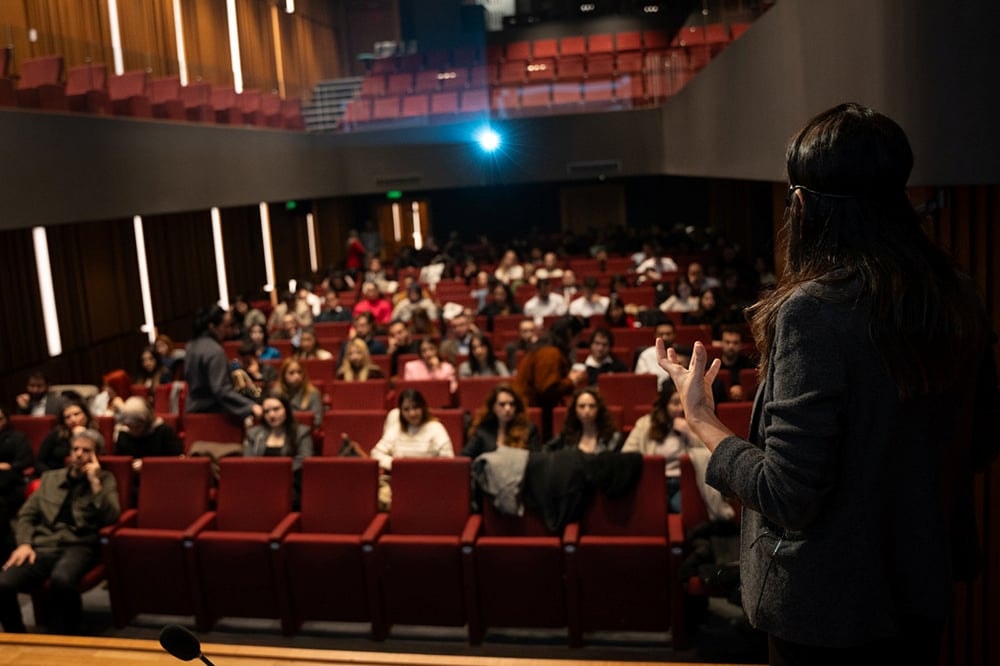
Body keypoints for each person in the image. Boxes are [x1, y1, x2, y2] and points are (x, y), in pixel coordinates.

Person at [657, 103, 997, 665]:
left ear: (802, 204)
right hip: (921, 588)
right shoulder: (958, 294)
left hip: (826, 613)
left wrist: (701, 419)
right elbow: (981, 440)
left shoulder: (814, 311)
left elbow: (788, 493)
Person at [0, 428, 120, 634]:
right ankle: (17, 637)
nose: (79, 454)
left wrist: (94, 482)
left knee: (62, 580)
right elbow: (27, 515)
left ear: (96, 455)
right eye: (75, 449)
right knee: (4, 583)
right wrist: (24, 544)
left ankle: (71, 635)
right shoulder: (50, 479)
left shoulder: (105, 479)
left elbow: (110, 517)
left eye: (86, 450)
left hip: (78, 546)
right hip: (42, 546)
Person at [622, 382, 732, 517]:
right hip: (653, 485)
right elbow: (627, 455)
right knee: (651, 514)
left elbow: (714, 456)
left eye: (683, 403)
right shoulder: (645, 424)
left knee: (688, 512)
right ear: (664, 404)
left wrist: (690, 434)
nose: (680, 408)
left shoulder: (698, 425)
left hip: (685, 483)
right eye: (674, 403)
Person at [370, 389, 454, 509]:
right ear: (401, 412)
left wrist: (423, 468)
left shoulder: (436, 428)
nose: (412, 413)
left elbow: (448, 461)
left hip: (429, 483)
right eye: (406, 409)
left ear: (423, 407)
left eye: (416, 408)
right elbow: (376, 453)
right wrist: (398, 464)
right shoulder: (396, 429)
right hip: (400, 482)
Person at [184, 306, 263, 424]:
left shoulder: (191, 346)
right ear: (212, 327)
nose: (229, 331)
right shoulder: (214, 351)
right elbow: (221, 390)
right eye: (225, 326)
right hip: (213, 414)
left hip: (193, 410)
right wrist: (251, 407)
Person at [513, 315, 587, 440]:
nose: (578, 342)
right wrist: (572, 380)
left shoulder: (548, 349)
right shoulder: (549, 353)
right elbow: (547, 389)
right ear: (569, 334)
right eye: (578, 336)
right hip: (532, 416)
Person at [244, 394, 313, 506]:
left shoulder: (301, 432)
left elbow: (304, 460)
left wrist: (277, 474)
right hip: (258, 483)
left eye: (276, 409)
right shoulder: (254, 434)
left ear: (286, 409)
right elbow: (247, 462)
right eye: (266, 411)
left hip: (289, 484)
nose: (271, 415)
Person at [113, 397, 183, 497]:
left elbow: (177, 461)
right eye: (129, 426)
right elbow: (118, 462)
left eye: (137, 426)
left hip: (161, 483)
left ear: (146, 421)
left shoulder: (163, 431)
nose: (133, 431)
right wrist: (129, 466)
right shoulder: (124, 434)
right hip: (133, 483)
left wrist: (148, 466)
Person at [462, 384, 540, 458]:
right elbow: (464, 458)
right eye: (502, 404)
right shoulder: (483, 431)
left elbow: (535, 462)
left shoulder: (529, 430)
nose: (508, 409)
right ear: (493, 407)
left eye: (512, 404)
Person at [543, 387, 622, 454]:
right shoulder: (566, 435)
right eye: (582, 406)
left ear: (599, 409)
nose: (587, 411)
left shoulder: (612, 437)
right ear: (575, 410)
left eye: (592, 406)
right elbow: (545, 451)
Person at [36, 398, 105, 475]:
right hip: (55, 475)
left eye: (76, 414)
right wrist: (52, 477)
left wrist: (83, 434)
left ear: (86, 415)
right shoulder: (56, 434)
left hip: (86, 475)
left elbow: (100, 458)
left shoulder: (95, 435)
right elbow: (39, 462)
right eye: (67, 417)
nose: (73, 419)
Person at [0, 406, 32, 553]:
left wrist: (10, 466)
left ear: (6, 420)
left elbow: (24, 461)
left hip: (13, 481)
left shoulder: (18, 437)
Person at [275, 358, 324, 429]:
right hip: (280, 431)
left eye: (299, 372)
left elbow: (317, 420)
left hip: (305, 432)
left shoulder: (313, 393)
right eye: (291, 373)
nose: (296, 376)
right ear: (283, 375)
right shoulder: (276, 393)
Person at [634, 318, 678, 387]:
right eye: (661, 334)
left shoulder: (683, 355)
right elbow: (640, 382)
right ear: (655, 335)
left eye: (668, 334)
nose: (665, 338)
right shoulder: (646, 355)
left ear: (674, 335)